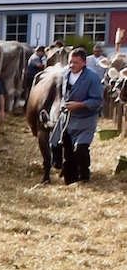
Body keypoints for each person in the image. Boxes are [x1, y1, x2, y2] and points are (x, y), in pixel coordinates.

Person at [60, 46, 105, 183]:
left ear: (84, 63)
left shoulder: (92, 77)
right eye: (70, 62)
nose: (72, 65)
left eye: (76, 62)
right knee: (68, 152)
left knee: (80, 148)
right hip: (68, 119)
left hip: (86, 119)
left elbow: (97, 101)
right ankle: (70, 181)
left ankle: (84, 177)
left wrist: (79, 105)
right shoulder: (65, 74)